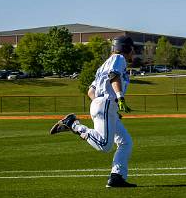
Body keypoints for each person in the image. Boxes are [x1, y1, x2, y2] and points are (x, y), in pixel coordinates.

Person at [50, 36, 136, 188]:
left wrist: (107, 108)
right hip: (106, 103)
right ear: (125, 48)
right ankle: (74, 125)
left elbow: (91, 91)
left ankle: (117, 176)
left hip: (103, 104)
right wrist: (119, 98)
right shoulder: (118, 58)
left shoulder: (103, 65)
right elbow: (113, 76)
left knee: (125, 142)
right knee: (104, 145)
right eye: (132, 49)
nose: (133, 52)